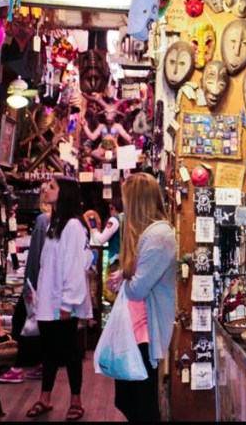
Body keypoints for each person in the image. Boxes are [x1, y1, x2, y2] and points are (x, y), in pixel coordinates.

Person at [105, 172, 176, 422]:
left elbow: (137, 288)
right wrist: (125, 275)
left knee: (141, 406)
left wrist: (125, 278)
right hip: (135, 332)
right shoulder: (149, 234)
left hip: (143, 335)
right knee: (129, 401)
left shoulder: (159, 236)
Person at [25, 177, 93, 422]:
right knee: (49, 352)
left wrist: (67, 302)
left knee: (70, 352)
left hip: (62, 303)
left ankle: (76, 401)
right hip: (47, 299)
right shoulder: (54, 223)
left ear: (63, 194)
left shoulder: (73, 225)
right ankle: (45, 398)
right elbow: (48, 264)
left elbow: (75, 266)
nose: (46, 190)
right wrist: (37, 290)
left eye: (52, 187)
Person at [0, 190, 49, 384]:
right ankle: (41, 364)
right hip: (46, 284)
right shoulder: (60, 221)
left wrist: (30, 283)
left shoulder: (43, 221)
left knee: (20, 321)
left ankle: (17, 367)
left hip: (36, 283)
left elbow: (36, 254)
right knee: (39, 325)